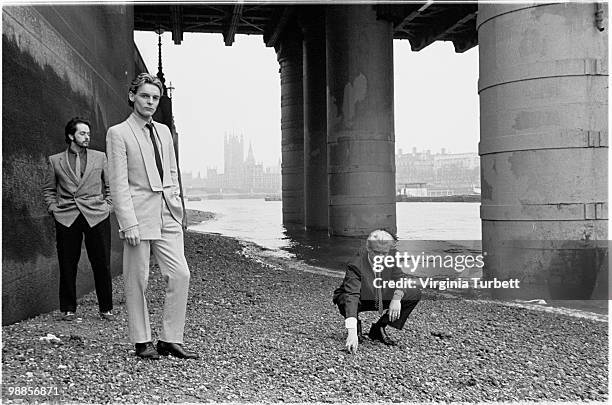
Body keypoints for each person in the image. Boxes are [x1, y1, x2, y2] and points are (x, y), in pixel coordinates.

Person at [106, 73, 198, 360]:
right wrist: (127, 222)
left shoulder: (164, 132)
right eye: (145, 96)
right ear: (133, 96)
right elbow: (118, 183)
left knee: (180, 274)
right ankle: (142, 340)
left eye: (155, 98)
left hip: (167, 213)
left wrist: (177, 207)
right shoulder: (118, 133)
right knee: (137, 279)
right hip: (138, 215)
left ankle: (170, 339)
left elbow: (172, 172)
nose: (150, 101)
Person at [43, 117, 114, 321]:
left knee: (102, 262)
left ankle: (106, 308)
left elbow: (110, 186)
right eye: (82, 133)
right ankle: (68, 308)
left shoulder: (100, 157)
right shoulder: (55, 160)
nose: (87, 137)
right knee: (67, 262)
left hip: (96, 215)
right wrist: (53, 208)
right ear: (71, 135)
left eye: (88, 134)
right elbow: (49, 189)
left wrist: (108, 207)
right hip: (67, 215)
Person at [333, 229, 421, 354]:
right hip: (360, 297)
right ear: (368, 249)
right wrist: (351, 332)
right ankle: (356, 327)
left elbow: (400, 278)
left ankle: (379, 328)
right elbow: (351, 295)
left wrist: (396, 298)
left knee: (414, 292)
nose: (380, 257)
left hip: (381, 293)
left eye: (383, 253)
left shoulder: (391, 256)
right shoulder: (356, 265)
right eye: (376, 253)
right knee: (344, 299)